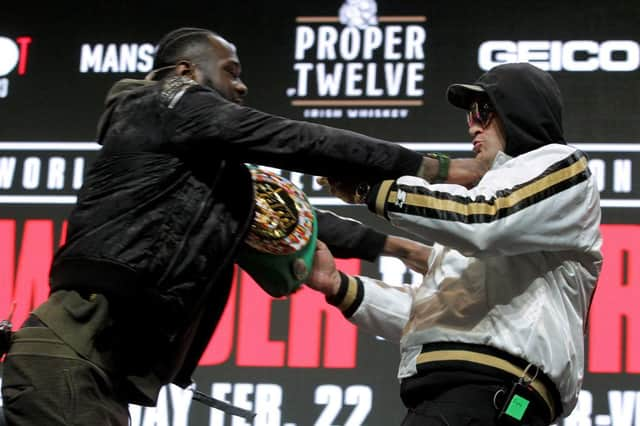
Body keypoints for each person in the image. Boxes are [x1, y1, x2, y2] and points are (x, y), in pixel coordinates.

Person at [0, 27, 477, 425]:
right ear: (185, 72)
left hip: (94, 375)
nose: (243, 85)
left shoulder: (199, 170)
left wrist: (402, 249)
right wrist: (439, 169)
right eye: (231, 71)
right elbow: (296, 140)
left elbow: (286, 214)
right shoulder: (161, 103)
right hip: (69, 362)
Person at [307, 62, 603, 425]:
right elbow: (443, 315)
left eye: (483, 110)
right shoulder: (490, 215)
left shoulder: (563, 167)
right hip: (456, 398)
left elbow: (484, 219)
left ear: (519, 111)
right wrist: (339, 286)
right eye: (469, 115)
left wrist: (376, 189)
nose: (472, 124)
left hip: (496, 398)